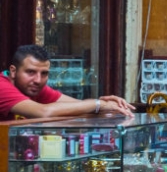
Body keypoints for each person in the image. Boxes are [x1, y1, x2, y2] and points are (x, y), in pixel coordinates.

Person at [0, 46, 134, 121]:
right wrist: (98, 104)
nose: (38, 80)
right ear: (13, 71)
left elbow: (76, 106)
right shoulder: (2, 86)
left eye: (44, 73)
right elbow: (44, 112)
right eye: (30, 72)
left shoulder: (34, 87)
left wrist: (108, 106)